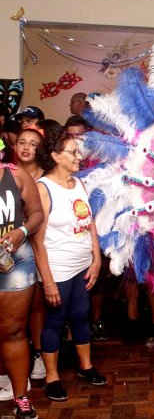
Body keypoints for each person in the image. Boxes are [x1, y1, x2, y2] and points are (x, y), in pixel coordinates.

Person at [32, 123, 107, 402]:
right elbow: (37, 241)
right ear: (55, 156)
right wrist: (48, 281)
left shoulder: (79, 183)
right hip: (58, 269)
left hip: (82, 265)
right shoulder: (44, 188)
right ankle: (51, 378)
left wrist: (96, 258)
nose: (79, 156)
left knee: (80, 315)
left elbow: (89, 223)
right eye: (73, 152)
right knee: (55, 320)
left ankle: (86, 367)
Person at [0, 137, 44, 418]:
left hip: (13, 260)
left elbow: (37, 213)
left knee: (13, 331)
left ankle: (21, 398)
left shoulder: (15, 175)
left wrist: (22, 232)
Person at [13, 128, 47, 382]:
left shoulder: (47, 178)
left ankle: (38, 353)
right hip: (13, 250)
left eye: (33, 144)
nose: (26, 147)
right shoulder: (7, 173)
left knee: (37, 303)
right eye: (22, 142)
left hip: (40, 245)